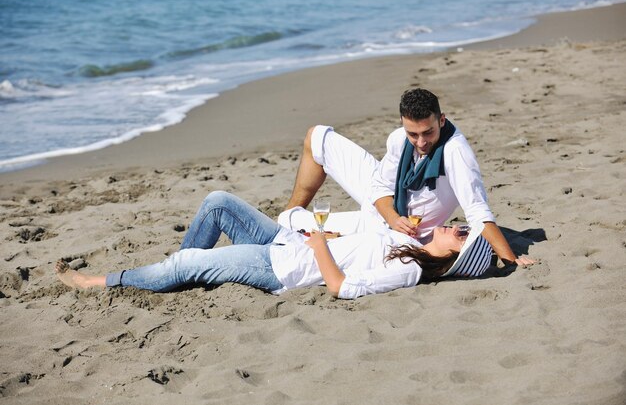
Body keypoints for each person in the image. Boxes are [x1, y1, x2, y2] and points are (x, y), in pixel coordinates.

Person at [56, 191, 493, 300]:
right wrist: (331, 238)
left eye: (459, 233)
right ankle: (178, 271)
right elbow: (358, 251)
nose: (452, 226)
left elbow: (342, 288)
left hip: (281, 268)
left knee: (190, 260)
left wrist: (321, 243)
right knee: (217, 204)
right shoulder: (410, 245)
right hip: (290, 243)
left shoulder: (411, 270)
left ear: (456, 254)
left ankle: (100, 282)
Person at [279, 88, 534, 267]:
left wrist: (510, 259)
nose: (421, 142)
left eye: (428, 132)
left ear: (441, 120)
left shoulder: (456, 152)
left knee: (287, 221)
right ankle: (294, 210)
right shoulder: (399, 138)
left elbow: (477, 210)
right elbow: (379, 186)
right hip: (386, 212)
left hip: (390, 232)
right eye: (413, 134)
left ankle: (290, 219)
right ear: (403, 124)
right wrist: (392, 216)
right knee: (317, 136)